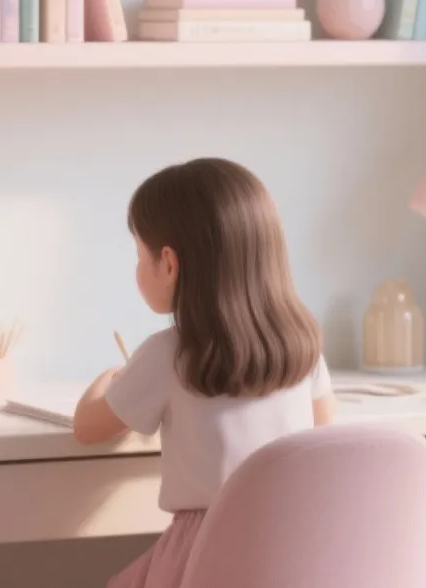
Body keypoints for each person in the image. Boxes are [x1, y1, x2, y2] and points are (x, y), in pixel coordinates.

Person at [73, 157, 338, 588]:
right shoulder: (304, 345)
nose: (137, 269)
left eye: (140, 257)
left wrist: (107, 379)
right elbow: (324, 434)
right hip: (290, 556)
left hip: (207, 554)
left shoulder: (168, 353)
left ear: (169, 264)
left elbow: (88, 427)